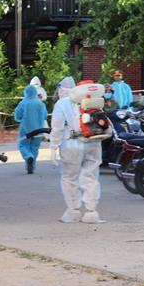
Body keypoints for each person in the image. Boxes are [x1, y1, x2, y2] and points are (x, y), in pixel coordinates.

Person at [49, 77, 104, 224]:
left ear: (61, 89)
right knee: (91, 177)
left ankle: (73, 211)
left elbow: (57, 128)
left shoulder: (61, 104)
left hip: (71, 144)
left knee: (69, 178)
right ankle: (91, 212)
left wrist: (53, 147)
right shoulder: (92, 101)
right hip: (93, 142)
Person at [15, 85, 48, 174]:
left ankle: (28, 156)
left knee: (22, 145)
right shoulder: (41, 104)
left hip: (26, 129)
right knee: (35, 148)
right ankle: (31, 167)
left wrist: (21, 119)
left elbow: (17, 116)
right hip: (39, 129)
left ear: (25, 92)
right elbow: (45, 116)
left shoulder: (23, 103)